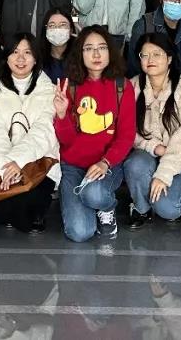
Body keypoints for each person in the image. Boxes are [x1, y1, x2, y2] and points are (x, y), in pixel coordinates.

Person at [53, 25, 137, 242]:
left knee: (94, 194)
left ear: (110, 51)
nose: (96, 54)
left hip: (108, 164)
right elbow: (66, 141)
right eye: (89, 48)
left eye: (102, 47)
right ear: (80, 54)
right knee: (80, 233)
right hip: (73, 167)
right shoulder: (69, 86)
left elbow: (126, 136)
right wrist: (61, 114)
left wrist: (105, 163)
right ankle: (88, 201)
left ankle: (106, 207)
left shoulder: (122, 86)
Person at [0, 32, 60, 234]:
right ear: (7, 56)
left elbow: (44, 131)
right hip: (5, 165)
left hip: (40, 163)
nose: (20, 59)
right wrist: (5, 166)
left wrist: (19, 160)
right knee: (1, 213)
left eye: (27, 53)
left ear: (35, 58)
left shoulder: (49, 90)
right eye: (15, 52)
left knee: (25, 210)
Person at [124, 32, 181, 229]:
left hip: (179, 159)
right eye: (145, 55)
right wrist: (154, 147)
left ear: (169, 58)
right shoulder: (132, 86)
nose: (150, 60)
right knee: (135, 164)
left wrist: (163, 174)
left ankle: (178, 198)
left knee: (168, 210)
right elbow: (126, 130)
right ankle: (141, 207)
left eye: (157, 54)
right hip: (146, 155)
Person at [38, 6, 75, 83]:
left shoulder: (80, 56)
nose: (57, 29)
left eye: (63, 25)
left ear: (71, 30)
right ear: (45, 30)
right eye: (52, 25)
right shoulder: (38, 58)